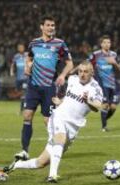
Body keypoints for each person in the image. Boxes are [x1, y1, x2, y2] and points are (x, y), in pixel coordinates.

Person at [5, 61, 102, 183]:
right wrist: (61, 102)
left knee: (41, 162)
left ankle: (17, 165)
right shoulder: (72, 79)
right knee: (60, 138)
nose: (82, 74)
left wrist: (88, 101)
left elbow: (98, 106)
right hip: (59, 117)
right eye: (80, 71)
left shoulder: (95, 88)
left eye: (85, 72)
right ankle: (52, 176)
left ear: (92, 73)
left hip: (73, 126)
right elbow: (70, 98)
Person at [14, 16, 73, 161]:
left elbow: (70, 63)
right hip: (33, 86)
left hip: (49, 87)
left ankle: (56, 148)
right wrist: (28, 67)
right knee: (27, 115)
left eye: (53, 25)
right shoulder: (34, 43)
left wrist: (63, 75)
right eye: (48, 25)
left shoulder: (59, 44)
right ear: (42, 27)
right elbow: (29, 58)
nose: (51, 27)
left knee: (48, 121)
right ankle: (24, 151)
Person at [88, 35, 120, 132]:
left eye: (109, 42)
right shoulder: (96, 54)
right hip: (102, 84)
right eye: (105, 42)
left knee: (113, 107)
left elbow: (119, 70)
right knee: (105, 105)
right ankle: (104, 126)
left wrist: (114, 63)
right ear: (101, 44)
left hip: (112, 84)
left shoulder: (114, 55)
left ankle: (104, 119)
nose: (107, 44)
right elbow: (88, 64)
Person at [10, 43, 29, 112]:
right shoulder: (16, 56)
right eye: (19, 47)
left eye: (22, 47)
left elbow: (32, 62)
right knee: (20, 93)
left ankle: (23, 109)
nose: (21, 49)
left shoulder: (27, 55)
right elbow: (12, 64)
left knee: (24, 93)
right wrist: (11, 72)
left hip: (26, 77)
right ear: (18, 49)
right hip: (18, 78)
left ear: (24, 48)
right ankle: (24, 107)